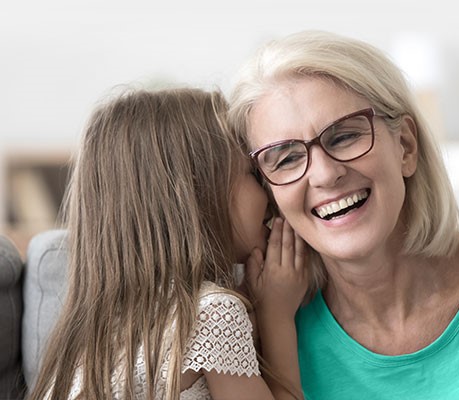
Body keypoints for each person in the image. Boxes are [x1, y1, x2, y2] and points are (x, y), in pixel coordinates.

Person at [228, 30, 459, 399]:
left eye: (344, 137)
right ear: (269, 193)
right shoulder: (257, 330)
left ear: (405, 145)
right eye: (288, 158)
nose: (325, 174)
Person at [28, 87, 306, 400]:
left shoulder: (98, 333)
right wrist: (277, 316)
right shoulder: (213, 313)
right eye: (252, 174)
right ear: (198, 195)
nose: (270, 193)